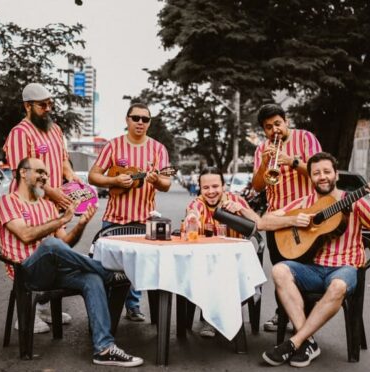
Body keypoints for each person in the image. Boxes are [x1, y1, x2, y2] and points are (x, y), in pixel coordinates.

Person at [0, 157, 143, 367]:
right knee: (49, 245)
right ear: (22, 173)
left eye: (46, 173)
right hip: (26, 272)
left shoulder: (47, 206)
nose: (44, 177)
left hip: (54, 268)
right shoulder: (8, 202)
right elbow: (26, 235)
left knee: (90, 278)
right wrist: (62, 220)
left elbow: (66, 243)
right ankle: (109, 272)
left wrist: (80, 224)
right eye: (39, 172)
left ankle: (104, 348)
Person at [259, 152, 370, 367]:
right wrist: (293, 219)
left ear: (336, 175)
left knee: (338, 285)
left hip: (345, 268)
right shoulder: (305, 202)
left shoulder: (355, 203)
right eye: (316, 173)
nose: (322, 177)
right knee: (279, 271)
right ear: (311, 177)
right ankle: (309, 342)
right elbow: (263, 222)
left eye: (326, 172)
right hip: (312, 269)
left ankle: (296, 341)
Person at [3, 83, 81, 332]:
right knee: (29, 257)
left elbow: (63, 162)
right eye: (42, 104)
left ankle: (45, 307)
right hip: (31, 204)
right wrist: (54, 193)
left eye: (50, 103)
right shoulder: (20, 133)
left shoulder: (55, 129)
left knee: (54, 256)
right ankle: (26, 314)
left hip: (54, 205)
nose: (48, 109)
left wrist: (75, 179)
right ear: (27, 106)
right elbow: (23, 175)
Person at [88, 102, 171, 322]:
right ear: (127, 120)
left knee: (140, 267)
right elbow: (93, 176)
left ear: (149, 122)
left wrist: (156, 179)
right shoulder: (113, 146)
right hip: (114, 219)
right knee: (109, 266)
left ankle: (133, 306)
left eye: (145, 119)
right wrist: (114, 180)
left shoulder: (158, 149)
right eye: (136, 118)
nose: (140, 123)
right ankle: (106, 308)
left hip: (145, 219)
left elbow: (167, 183)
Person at [251, 103, 323, 332]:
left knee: (302, 269)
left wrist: (290, 160)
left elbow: (320, 174)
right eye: (268, 127)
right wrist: (264, 163)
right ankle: (283, 314)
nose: (274, 130)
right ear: (264, 130)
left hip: (306, 217)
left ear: (286, 121)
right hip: (277, 219)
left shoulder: (306, 139)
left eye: (278, 124)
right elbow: (257, 185)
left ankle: (301, 318)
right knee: (280, 269)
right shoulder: (262, 148)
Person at [183, 167, 266, 337]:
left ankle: (216, 317)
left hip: (237, 265)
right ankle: (213, 318)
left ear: (223, 186)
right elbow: (192, 213)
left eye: (215, 186)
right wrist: (192, 218)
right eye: (206, 188)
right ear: (200, 189)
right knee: (210, 272)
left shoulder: (236, 200)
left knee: (227, 274)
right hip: (207, 265)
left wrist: (241, 210)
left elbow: (259, 223)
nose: (211, 192)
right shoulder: (197, 203)